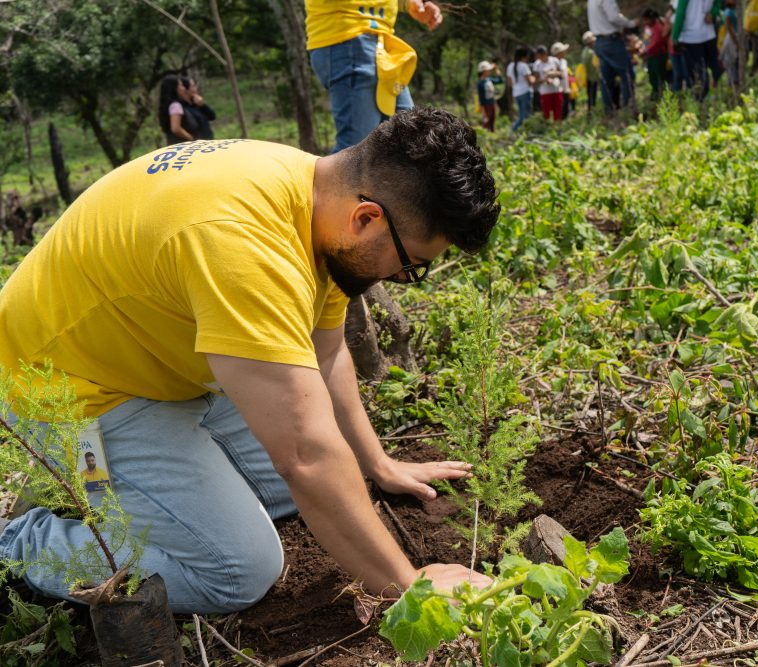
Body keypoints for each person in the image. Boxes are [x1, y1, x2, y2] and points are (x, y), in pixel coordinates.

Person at [0, 108, 498, 613]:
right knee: (238, 569)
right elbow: (305, 456)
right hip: (64, 389)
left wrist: (377, 464)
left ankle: (125, 493)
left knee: (303, 491)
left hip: (153, 363)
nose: (400, 278)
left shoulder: (318, 205)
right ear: (366, 218)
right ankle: (20, 543)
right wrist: (408, 586)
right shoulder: (244, 243)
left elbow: (327, 353)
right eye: (411, 265)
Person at [306, 0, 442, 153]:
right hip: (348, 39)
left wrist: (409, 4)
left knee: (410, 142)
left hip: (377, 43)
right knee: (356, 152)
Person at [587, 0, 638, 113]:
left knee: (606, 79)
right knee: (627, 74)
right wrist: (631, 23)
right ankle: (628, 109)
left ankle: (609, 111)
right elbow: (614, 17)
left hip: (600, 42)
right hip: (611, 41)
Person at [673, 0, 723, 100]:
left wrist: (675, 37)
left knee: (697, 73)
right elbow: (718, 3)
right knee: (713, 67)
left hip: (691, 37)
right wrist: (713, 13)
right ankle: (717, 93)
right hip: (709, 35)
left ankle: (701, 98)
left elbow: (680, 12)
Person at [158, 74, 198, 145]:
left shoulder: (169, 105)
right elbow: (176, 129)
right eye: (181, 85)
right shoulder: (175, 105)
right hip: (182, 144)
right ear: (174, 88)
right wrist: (191, 139)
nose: (183, 88)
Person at [641, 8, 670, 100]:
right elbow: (646, 40)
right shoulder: (648, 27)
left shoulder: (658, 27)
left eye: (646, 20)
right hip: (650, 56)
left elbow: (656, 42)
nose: (645, 22)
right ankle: (655, 93)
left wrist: (645, 50)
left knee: (659, 76)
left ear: (652, 18)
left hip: (658, 56)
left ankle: (662, 95)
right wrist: (643, 49)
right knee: (652, 76)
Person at [506, 47, 537, 131]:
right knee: (525, 116)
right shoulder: (523, 66)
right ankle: (514, 130)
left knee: (521, 115)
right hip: (525, 92)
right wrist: (535, 77)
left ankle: (518, 131)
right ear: (525, 56)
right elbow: (530, 82)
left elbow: (509, 83)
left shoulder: (510, 66)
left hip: (516, 93)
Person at [532, 45, 565, 121]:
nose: (540, 58)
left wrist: (554, 74)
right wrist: (545, 79)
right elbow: (536, 80)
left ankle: (557, 125)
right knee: (546, 113)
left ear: (545, 54)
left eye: (541, 55)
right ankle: (547, 126)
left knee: (558, 111)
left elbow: (561, 74)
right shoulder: (537, 64)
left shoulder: (554, 60)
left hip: (556, 89)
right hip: (545, 91)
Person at [476, 61, 502, 131]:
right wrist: (483, 112)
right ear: (484, 71)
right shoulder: (480, 83)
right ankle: (485, 135)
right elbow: (481, 98)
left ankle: (492, 135)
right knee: (486, 123)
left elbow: (500, 81)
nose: (490, 71)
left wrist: (497, 71)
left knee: (492, 122)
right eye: (488, 70)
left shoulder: (489, 79)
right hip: (486, 106)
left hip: (492, 103)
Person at [580, 31, 602, 113]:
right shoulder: (591, 53)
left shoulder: (585, 51)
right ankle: (592, 112)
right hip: (592, 78)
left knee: (591, 96)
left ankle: (591, 111)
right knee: (592, 96)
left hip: (589, 77)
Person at [551, 42, 572, 119]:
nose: (565, 52)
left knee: (566, 108)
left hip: (566, 88)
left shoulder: (564, 61)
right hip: (558, 90)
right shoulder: (552, 62)